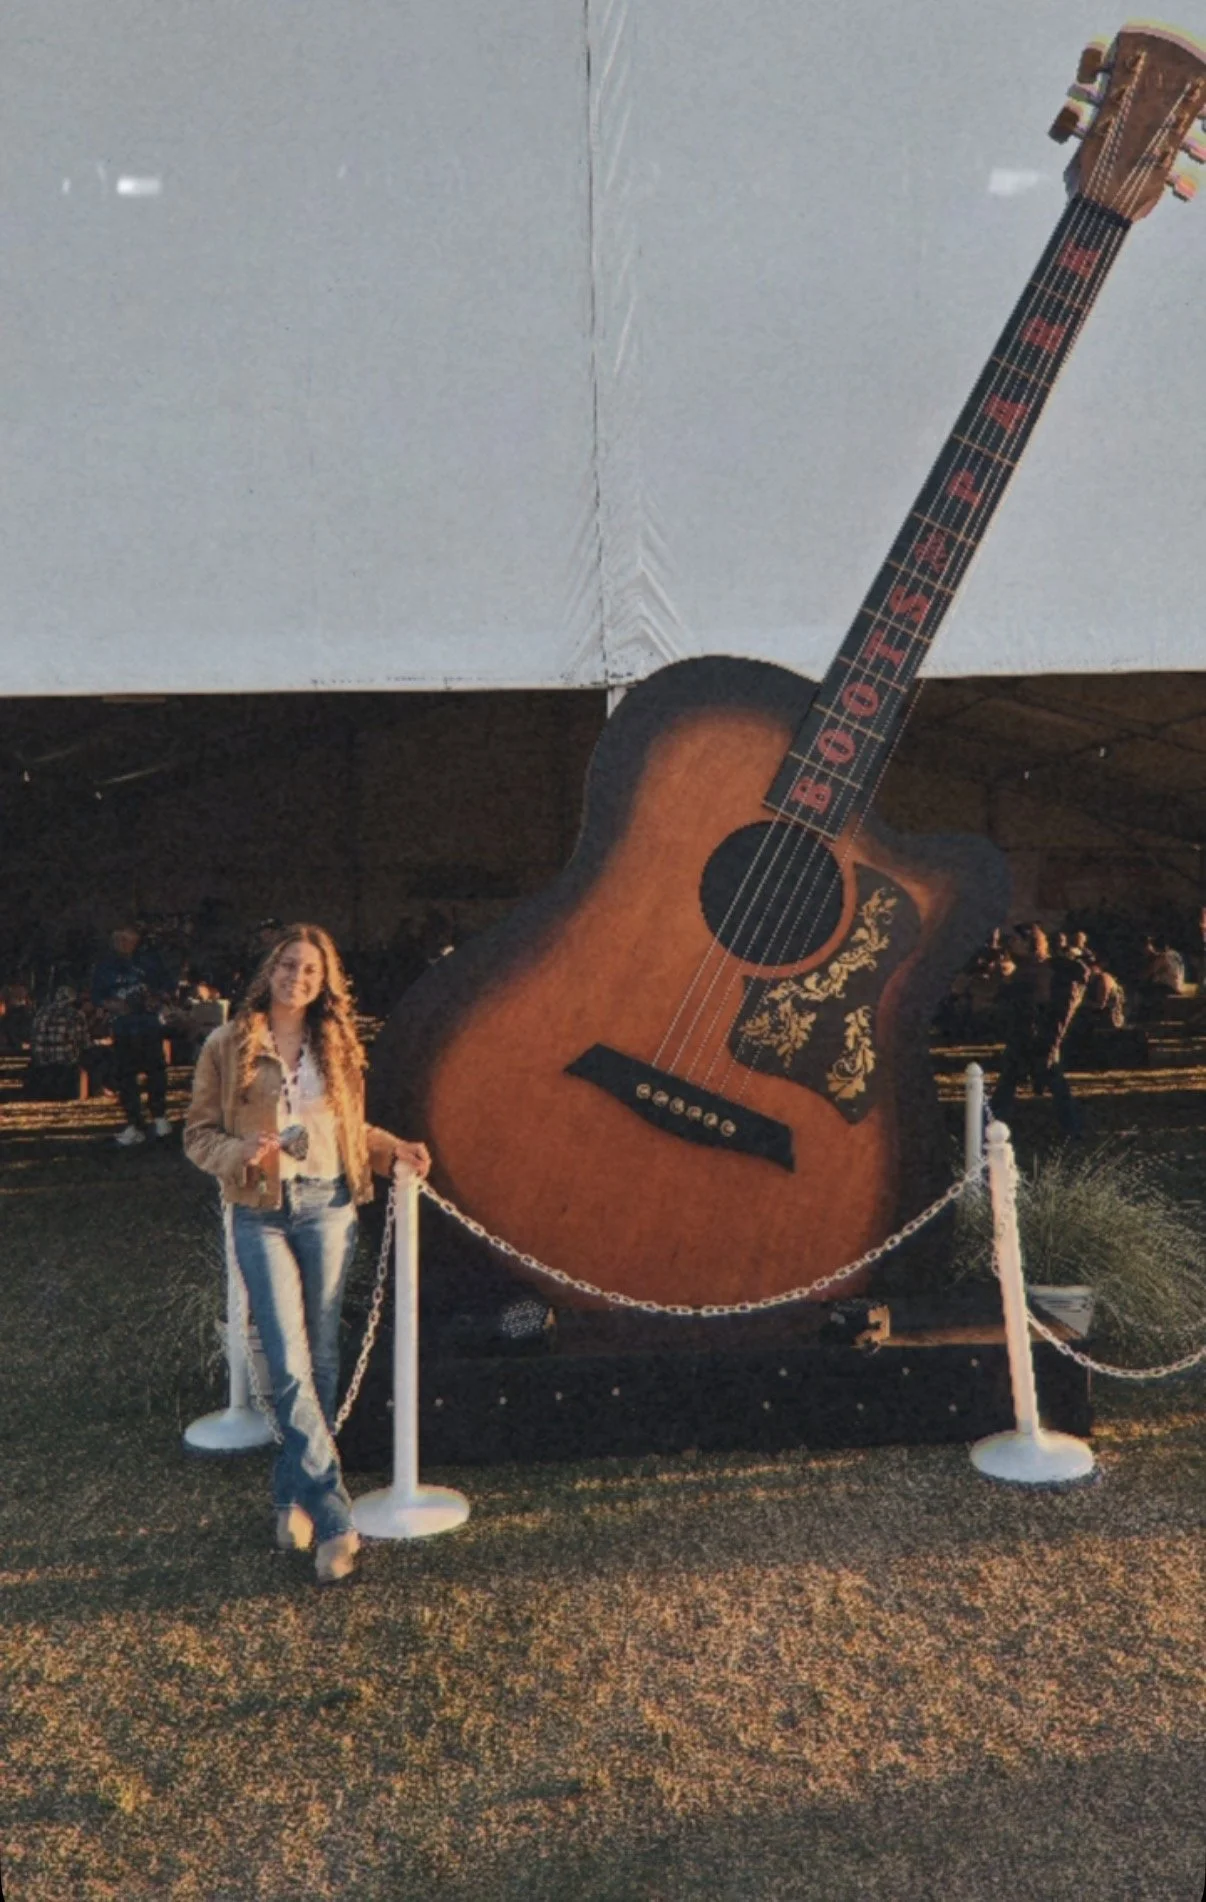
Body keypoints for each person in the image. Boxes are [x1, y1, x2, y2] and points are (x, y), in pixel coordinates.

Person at [183, 923, 430, 1586]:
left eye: (312, 970)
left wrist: (391, 1149)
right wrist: (240, 1153)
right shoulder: (227, 1044)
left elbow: (349, 1129)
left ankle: (289, 1496)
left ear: (326, 983)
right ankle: (334, 1519)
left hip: (330, 1206)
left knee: (322, 1359)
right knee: (288, 1363)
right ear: (270, 971)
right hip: (260, 1212)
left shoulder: (339, 1046)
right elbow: (198, 1135)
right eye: (290, 965)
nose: (299, 977)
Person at [990, 923, 1085, 1138]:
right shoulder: (1022, 969)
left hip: (1041, 1033)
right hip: (1023, 1033)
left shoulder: (1049, 970)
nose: (1010, 944)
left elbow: (1057, 1011)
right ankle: (992, 1122)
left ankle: (1072, 1128)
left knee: (1053, 1079)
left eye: (1016, 940)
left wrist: (1049, 1041)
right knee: (1011, 1080)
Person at [111, 986, 172, 1145]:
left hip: (129, 1063)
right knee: (156, 1082)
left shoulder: (120, 1022)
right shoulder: (155, 1019)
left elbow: (118, 1045)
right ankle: (160, 1121)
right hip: (154, 1060)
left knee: (127, 1086)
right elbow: (166, 1034)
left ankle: (135, 1125)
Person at [25, 985, 89, 1100]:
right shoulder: (75, 1015)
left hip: (41, 1062)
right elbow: (84, 1042)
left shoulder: (40, 1013)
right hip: (66, 1063)